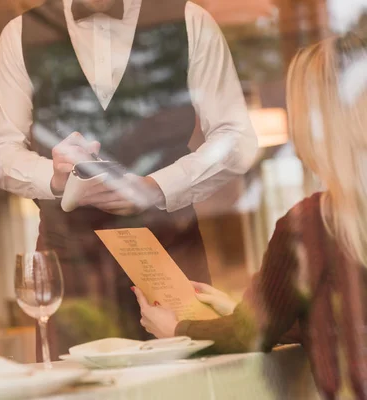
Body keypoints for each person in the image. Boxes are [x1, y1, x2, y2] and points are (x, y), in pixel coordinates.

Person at [0, 0, 257, 357]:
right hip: (69, 259)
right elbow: (0, 151)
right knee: (75, 388)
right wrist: (54, 179)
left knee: (186, 382)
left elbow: (236, 139)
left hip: (169, 248)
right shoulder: (19, 35)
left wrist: (156, 187)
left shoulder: (189, 20)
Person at [133, 32, 367, 399]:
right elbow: (337, 323)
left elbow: (248, 336)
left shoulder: (312, 223)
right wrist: (239, 310)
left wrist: (176, 328)